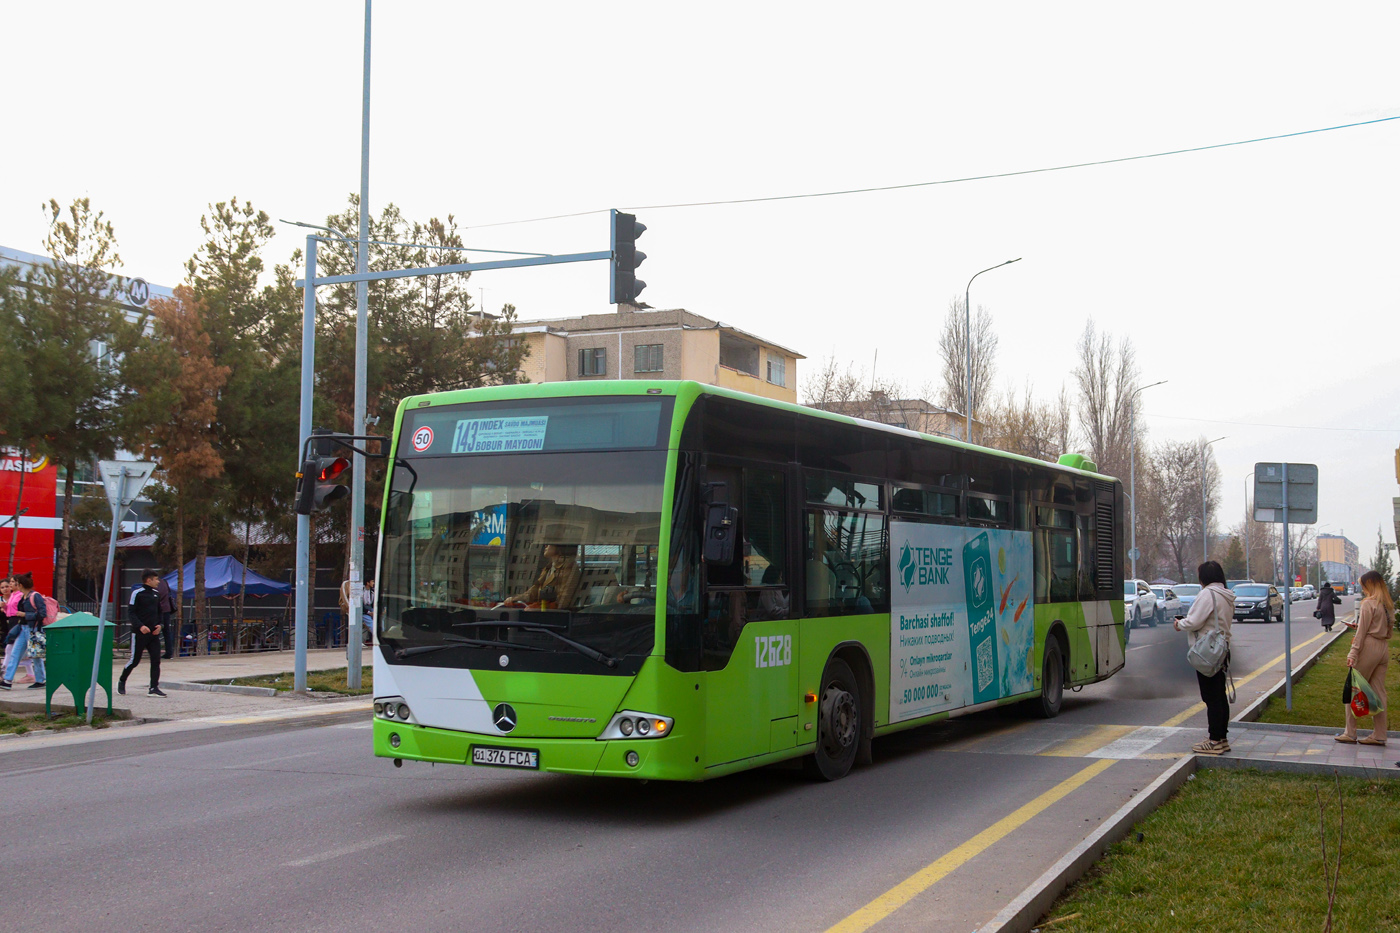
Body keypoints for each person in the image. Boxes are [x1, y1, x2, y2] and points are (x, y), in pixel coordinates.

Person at [1173, 560, 1235, 755]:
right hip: (1221, 648)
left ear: (1204, 577)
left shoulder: (1208, 594)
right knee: (1219, 696)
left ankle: (1214, 740)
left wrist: (1180, 624)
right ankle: (1222, 738)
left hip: (1208, 651)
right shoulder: (1226, 594)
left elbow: (1195, 621)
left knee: (1211, 697)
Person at [1336, 569, 1391, 746]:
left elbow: (1361, 633)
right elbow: (1387, 631)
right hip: (1383, 648)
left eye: (1363, 585)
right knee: (1379, 692)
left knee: (1353, 688)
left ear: (1369, 585)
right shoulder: (1388, 605)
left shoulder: (1368, 603)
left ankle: (1350, 732)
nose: (1363, 589)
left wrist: (1353, 652)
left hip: (1368, 646)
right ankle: (1380, 734)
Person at [119, 571, 167, 697]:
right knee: (135, 660)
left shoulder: (156, 594)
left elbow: (160, 613)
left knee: (156, 660)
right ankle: (122, 680)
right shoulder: (137, 593)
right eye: (156, 579)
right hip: (140, 633)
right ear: (148, 580)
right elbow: (131, 613)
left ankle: (153, 688)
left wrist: (160, 625)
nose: (158, 581)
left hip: (153, 634)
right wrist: (140, 626)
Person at [0, 572, 47, 690]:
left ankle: (41, 680)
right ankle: (7, 680)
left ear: (20, 585)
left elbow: (42, 614)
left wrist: (25, 614)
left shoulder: (35, 596)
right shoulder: (23, 597)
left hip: (34, 629)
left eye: (15, 583)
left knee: (36, 656)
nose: (12, 585)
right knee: (15, 654)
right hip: (23, 629)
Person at [506, 545, 581, 610]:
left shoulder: (569, 567)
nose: (545, 546)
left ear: (559, 547)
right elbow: (533, 592)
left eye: (549, 544)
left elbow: (563, 601)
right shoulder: (549, 567)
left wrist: (537, 608)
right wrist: (513, 600)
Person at [157, 572, 176, 659]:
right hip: (167, 610)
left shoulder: (158, 585)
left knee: (156, 631)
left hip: (160, 610)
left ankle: (157, 652)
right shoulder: (164, 582)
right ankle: (169, 652)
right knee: (166, 632)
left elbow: (157, 597)